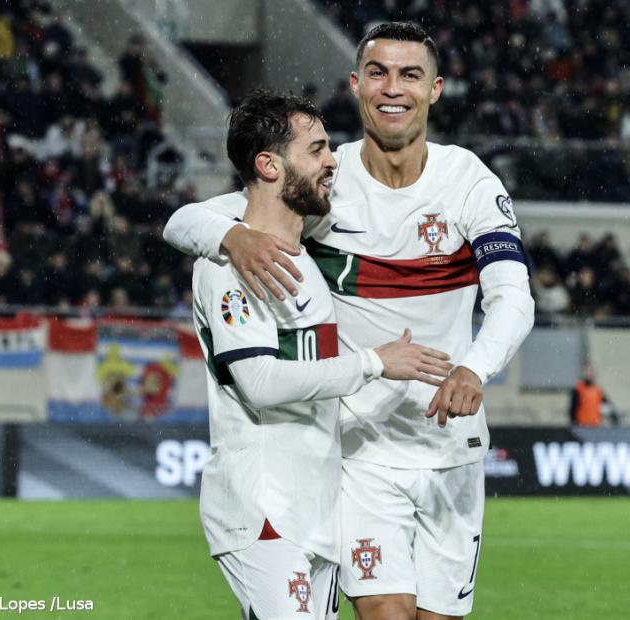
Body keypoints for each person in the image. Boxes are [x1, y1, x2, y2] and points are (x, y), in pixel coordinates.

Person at [164, 22, 534, 620]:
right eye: (379, 73)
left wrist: (473, 366)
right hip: (361, 451)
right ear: (356, 85)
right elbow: (184, 222)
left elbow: (514, 298)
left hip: (452, 447)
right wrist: (232, 235)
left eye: (410, 74)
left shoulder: (468, 181)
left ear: (435, 89)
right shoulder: (325, 185)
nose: (394, 88)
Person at [193, 90, 455, 620]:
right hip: (263, 507)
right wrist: (374, 363)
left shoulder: (305, 254)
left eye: (330, 148)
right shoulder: (231, 265)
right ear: (268, 165)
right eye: (316, 151)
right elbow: (259, 382)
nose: (333, 160)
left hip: (315, 506)